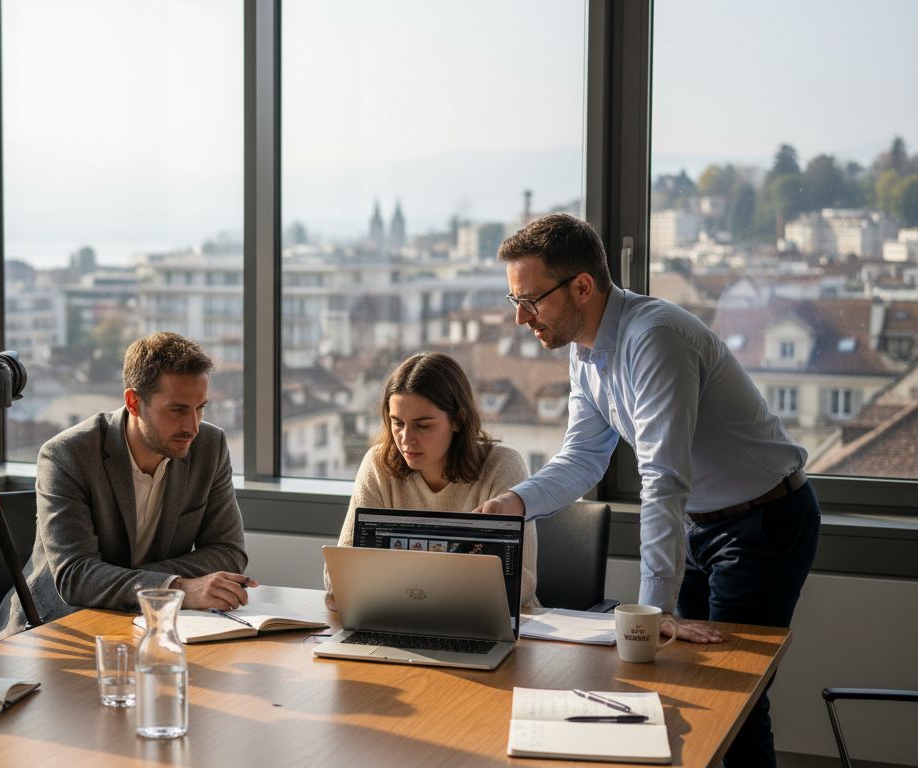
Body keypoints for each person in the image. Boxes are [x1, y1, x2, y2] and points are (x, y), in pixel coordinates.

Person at [476, 213, 820, 767]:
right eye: (514, 300)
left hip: (762, 523)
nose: (520, 318)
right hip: (703, 524)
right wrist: (515, 503)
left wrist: (652, 609)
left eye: (531, 300)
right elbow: (584, 457)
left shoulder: (654, 337)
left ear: (582, 287)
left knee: (733, 699)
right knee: (687, 680)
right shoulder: (584, 352)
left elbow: (662, 477)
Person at [0, 332, 252, 635]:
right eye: (178, 410)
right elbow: (75, 576)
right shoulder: (67, 455)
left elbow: (229, 551)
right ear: (133, 402)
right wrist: (176, 587)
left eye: (200, 407)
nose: (192, 427)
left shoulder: (211, 445)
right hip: (55, 629)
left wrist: (133, 582)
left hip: (147, 625)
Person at [325, 352, 541, 612]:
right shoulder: (378, 465)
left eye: (423, 425)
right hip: (398, 618)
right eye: (397, 423)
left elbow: (522, 585)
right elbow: (339, 574)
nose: (406, 439)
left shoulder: (503, 466)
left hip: (486, 623)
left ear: (458, 421)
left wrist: (399, 585)